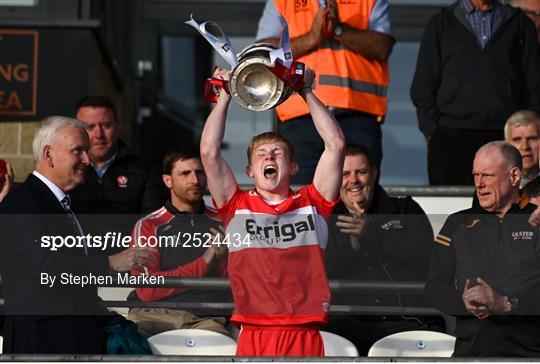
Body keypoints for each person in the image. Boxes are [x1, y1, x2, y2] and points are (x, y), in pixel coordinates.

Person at [200, 66, 345, 356]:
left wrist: (306, 91)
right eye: (261, 155)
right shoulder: (235, 205)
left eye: (277, 153)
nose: (269, 157)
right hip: (253, 330)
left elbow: (336, 145)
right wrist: (226, 94)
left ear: (292, 167)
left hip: (304, 329)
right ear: (250, 171)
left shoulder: (312, 203)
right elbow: (208, 151)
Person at [0, 116, 155, 354]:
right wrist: (112, 262)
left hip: (77, 337)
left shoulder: (66, 204)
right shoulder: (22, 204)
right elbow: (42, 265)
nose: (87, 160)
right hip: (43, 345)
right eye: (78, 151)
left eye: (87, 151)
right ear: (48, 154)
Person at [256, 0, 394, 184]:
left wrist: (339, 30)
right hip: (300, 120)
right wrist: (312, 37)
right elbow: (264, 54)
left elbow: (383, 47)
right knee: (300, 198)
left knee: (358, 196)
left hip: (358, 117)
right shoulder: (281, 1)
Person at [325, 144, 444, 355]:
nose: (354, 180)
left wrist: (372, 234)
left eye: (361, 172)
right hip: (344, 323)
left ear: (374, 173)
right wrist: (352, 244)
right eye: (345, 174)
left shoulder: (406, 209)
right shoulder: (324, 218)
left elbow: (426, 256)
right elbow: (317, 269)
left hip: (407, 321)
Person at [426, 141, 540, 356]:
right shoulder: (457, 223)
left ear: (514, 177)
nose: (479, 183)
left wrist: (506, 303)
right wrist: (462, 302)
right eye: (475, 175)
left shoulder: (537, 219)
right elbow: (434, 286)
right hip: (471, 354)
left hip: (530, 354)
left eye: (487, 175)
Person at [411, 0, 540, 186]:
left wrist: (527, 128)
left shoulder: (519, 22)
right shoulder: (440, 23)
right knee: (450, 210)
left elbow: (534, 83)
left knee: (505, 207)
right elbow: (423, 85)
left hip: (504, 135)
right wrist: (433, 132)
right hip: (450, 140)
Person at [126, 147, 230, 338]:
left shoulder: (223, 221)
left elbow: (233, 282)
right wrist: (205, 261)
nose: (195, 180)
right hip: (153, 315)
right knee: (125, 344)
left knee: (223, 351)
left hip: (206, 318)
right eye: (185, 173)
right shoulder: (150, 225)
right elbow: (148, 290)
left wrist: (223, 259)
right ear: (167, 180)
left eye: (199, 172)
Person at [71, 95, 166, 236]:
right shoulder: (65, 171)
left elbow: (153, 226)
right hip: (78, 255)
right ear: (76, 130)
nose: (99, 134)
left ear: (117, 127)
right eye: (90, 127)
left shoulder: (146, 171)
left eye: (106, 126)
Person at [504, 110, 540, 187]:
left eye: (532, 138)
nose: (525, 147)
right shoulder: (495, 184)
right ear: (507, 145)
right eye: (517, 139)